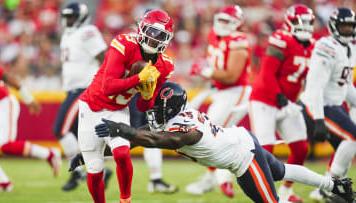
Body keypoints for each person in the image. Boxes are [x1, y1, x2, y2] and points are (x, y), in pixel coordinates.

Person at [92, 82, 355, 203]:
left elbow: (158, 139)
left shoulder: (184, 129)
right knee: (281, 171)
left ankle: (334, 187)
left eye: (158, 109)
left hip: (244, 158)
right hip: (242, 142)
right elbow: (143, 137)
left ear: (171, 109)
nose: (153, 113)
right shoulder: (174, 119)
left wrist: (121, 129)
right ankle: (334, 185)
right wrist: (95, 153)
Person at [77, 9, 174, 203]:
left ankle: (125, 199)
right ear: (141, 28)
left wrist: (147, 94)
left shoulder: (165, 66)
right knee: (95, 170)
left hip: (118, 110)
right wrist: (138, 78)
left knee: (121, 152)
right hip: (91, 106)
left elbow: (144, 106)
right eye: (151, 32)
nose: (154, 39)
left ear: (167, 39)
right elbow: (107, 87)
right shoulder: (123, 44)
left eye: (160, 35)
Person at [248, 4, 315, 202]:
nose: (304, 26)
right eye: (299, 22)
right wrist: (282, 99)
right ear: (289, 22)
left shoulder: (312, 45)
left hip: (288, 102)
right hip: (265, 100)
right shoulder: (281, 39)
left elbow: (310, 78)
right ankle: (268, 194)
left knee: (301, 148)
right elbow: (267, 74)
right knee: (266, 150)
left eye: (308, 23)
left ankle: (286, 190)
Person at [188, 5, 252, 197]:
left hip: (236, 92)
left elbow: (232, 76)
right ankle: (215, 178)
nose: (223, 25)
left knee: (213, 136)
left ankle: (218, 178)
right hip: (221, 92)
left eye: (227, 21)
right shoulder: (213, 35)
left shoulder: (238, 41)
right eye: (221, 20)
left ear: (237, 23)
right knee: (211, 135)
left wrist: (206, 71)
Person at [299, 7, 356, 202]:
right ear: (334, 27)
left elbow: (346, 86)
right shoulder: (327, 46)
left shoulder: (349, 48)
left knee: (346, 148)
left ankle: (326, 189)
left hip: (334, 105)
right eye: (344, 26)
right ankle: (328, 188)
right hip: (318, 105)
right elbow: (315, 86)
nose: (348, 30)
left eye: (351, 26)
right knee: (353, 137)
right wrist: (319, 119)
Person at [56, 2, 112, 191]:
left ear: (80, 17)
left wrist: (103, 84)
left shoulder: (88, 31)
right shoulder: (68, 34)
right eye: (67, 17)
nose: (68, 20)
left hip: (84, 89)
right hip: (73, 89)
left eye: (71, 16)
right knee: (75, 135)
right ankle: (97, 171)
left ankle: (81, 172)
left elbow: (103, 57)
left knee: (60, 130)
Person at [0, 66, 61, 191]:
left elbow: (9, 79)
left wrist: (28, 99)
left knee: (5, 145)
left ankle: (50, 154)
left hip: (3, 103)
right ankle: (4, 183)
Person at [129, 94, 178, 193]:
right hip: (128, 97)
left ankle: (156, 180)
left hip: (143, 96)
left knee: (152, 136)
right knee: (127, 138)